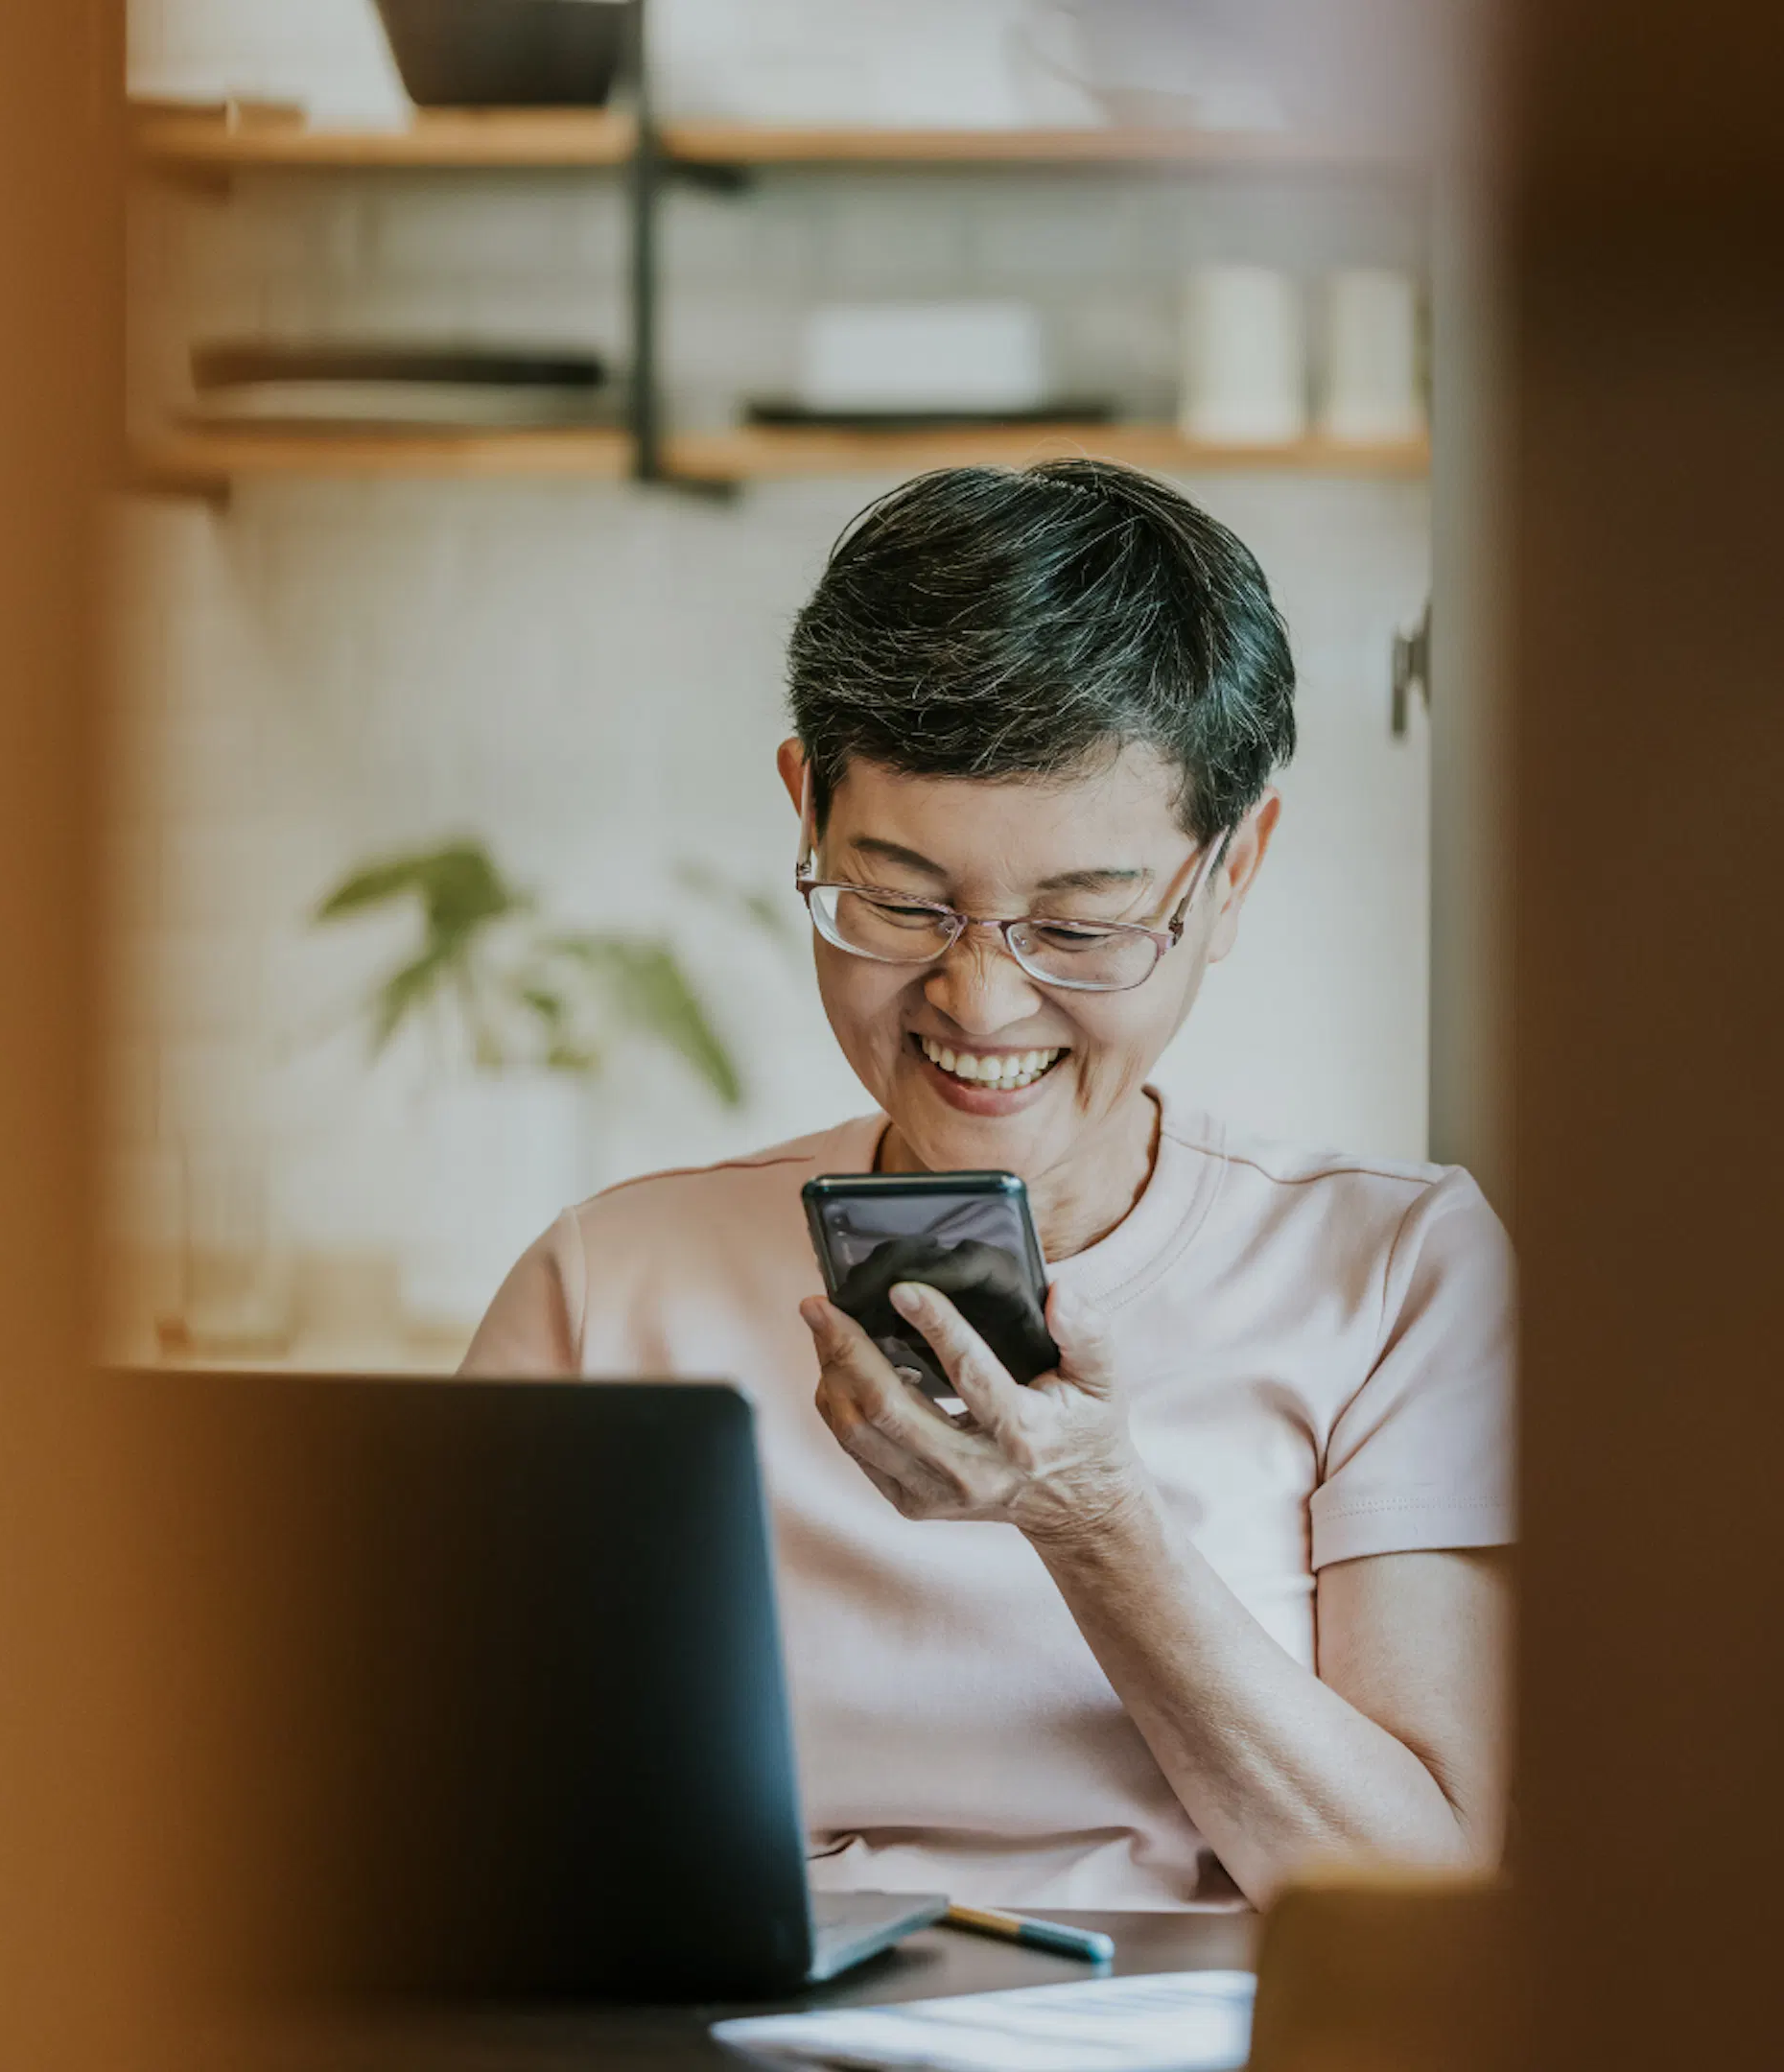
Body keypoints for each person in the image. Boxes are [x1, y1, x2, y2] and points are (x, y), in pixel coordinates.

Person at [461, 461, 1509, 1912]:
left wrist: (1093, 1520)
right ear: (805, 811)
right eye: (896, 900)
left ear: (1233, 874)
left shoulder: (1393, 1273)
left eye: (1079, 923)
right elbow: (447, 1825)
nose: (980, 999)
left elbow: (1428, 1908)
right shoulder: (607, 1284)